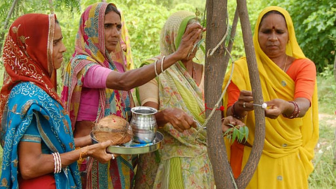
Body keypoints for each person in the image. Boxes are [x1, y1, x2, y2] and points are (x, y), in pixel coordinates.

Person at [61, 3, 202, 189]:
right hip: (89, 162)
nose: (115, 33)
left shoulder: (114, 66)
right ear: (91, 29)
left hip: (117, 159)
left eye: (118, 26)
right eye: (107, 26)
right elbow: (123, 81)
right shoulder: (82, 66)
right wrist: (174, 57)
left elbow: (127, 118)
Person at [0, 13, 114, 189]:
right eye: (54, 43)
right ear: (32, 48)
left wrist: (92, 139)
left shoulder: (38, 90)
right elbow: (30, 167)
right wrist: (86, 152)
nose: (63, 48)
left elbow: (50, 143)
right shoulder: (29, 98)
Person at [134, 11, 244, 189]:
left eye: (198, 38)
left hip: (204, 165)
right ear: (172, 37)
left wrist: (225, 124)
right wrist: (166, 115)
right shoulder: (154, 70)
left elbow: (208, 120)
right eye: (188, 38)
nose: (193, 44)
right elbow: (146, 119)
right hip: (170, 163)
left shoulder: (210, 73)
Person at [222, 6, 319, 189]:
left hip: (290, 158)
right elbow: (230, 113)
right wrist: (240, 107)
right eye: (266, 31)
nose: (273, 38)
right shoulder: (241, 69)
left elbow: (304, 103)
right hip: (252, 159)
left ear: (289, 35)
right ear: (256, 35)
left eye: (279, 32)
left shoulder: (303, 66)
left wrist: (286, 107)